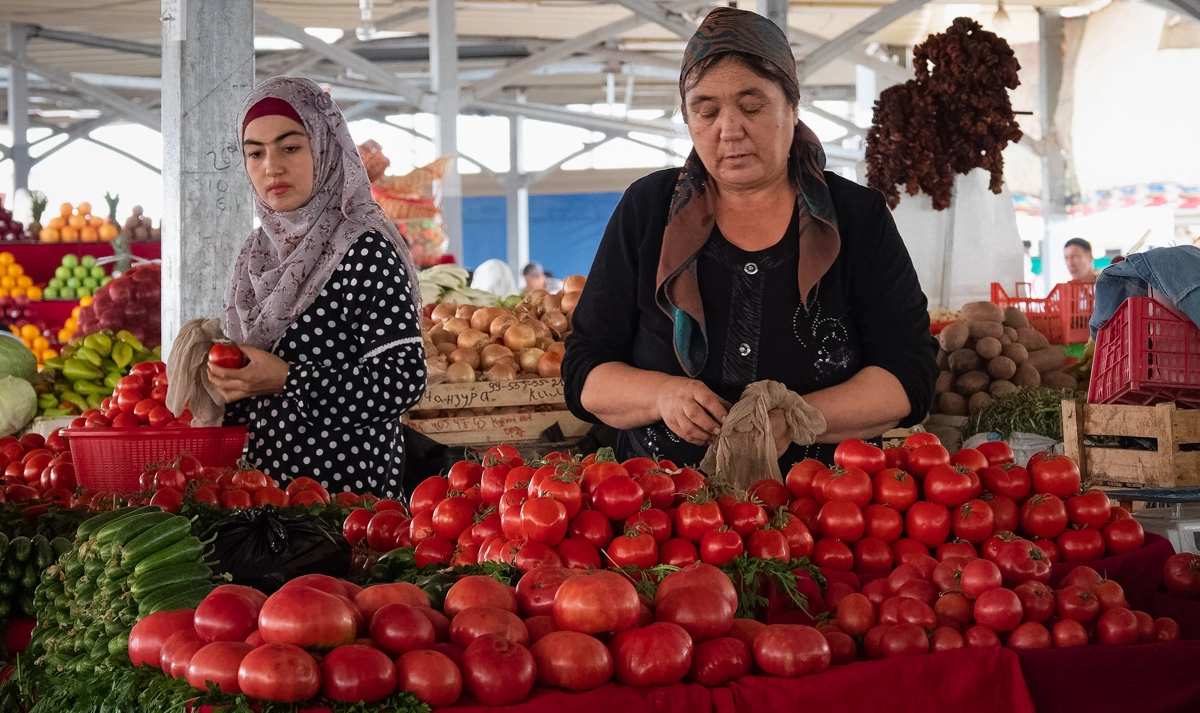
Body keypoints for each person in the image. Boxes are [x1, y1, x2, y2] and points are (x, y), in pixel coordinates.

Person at [562, 7, 938, 469]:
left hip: (826, 510)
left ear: (793, 107)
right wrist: (663, 395)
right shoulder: (647, 210)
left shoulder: (857, 217)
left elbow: (909, 373)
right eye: (706, 110)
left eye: (752, 106)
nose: (729, 129)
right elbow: (585, 370)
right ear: (688, 118)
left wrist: (799, 417)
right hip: (658, 512)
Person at [208, 77, 426, 497]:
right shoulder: (256, 253)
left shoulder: (363, 248)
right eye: (255, 153)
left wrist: (287, 380)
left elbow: (404, 380)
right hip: (259, 500)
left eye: (290, 147)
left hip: (346, 511)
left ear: (325, 147)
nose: (271, 166)